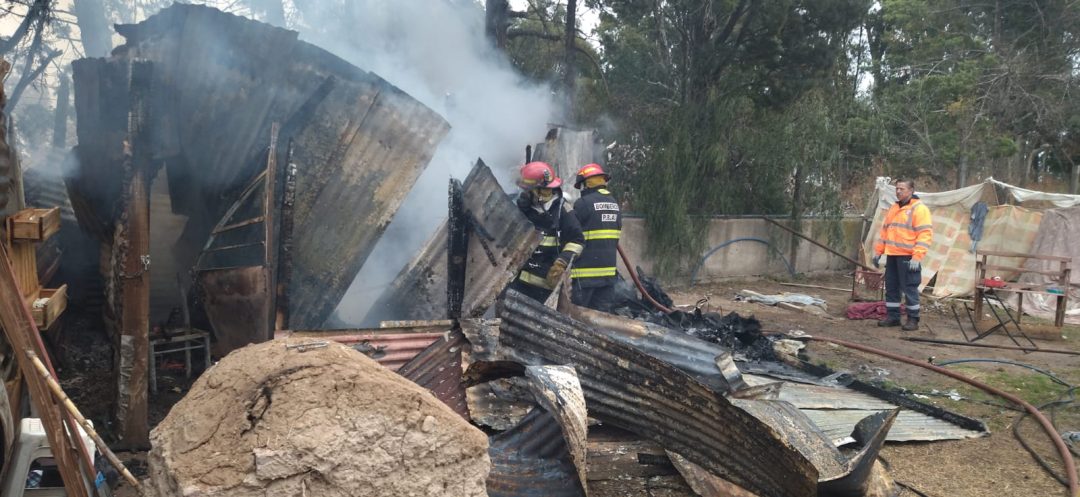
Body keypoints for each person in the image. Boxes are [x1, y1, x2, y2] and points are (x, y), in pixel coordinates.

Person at [509, 161, 585, 302]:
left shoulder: (562, 210)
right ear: (529, 191)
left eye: (550, 189)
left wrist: (561, 263)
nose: (548, 194)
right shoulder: (519, 211)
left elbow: (577, 240)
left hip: (547, 289)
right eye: (544, 190)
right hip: (519, 285)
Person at [873, 179, 933, 331]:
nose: (898, 191)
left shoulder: (919, 209)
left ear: (911, 190)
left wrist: (917, 257)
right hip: (892, 255)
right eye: (897, 188)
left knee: (909, 288)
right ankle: (893, 317)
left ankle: (913, 319)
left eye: (902, 189)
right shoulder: (894, 208)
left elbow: (925, 234)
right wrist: (878, 251)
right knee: (892, 287)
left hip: (908, 257)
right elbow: (885, 232)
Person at [570, 163, 622, 312]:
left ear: (586, 184)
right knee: (601, 319)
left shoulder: (583, 203)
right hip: (608, 275)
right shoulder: (614, 204)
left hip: (585, 276)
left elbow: (571, 232)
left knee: (579, 318)